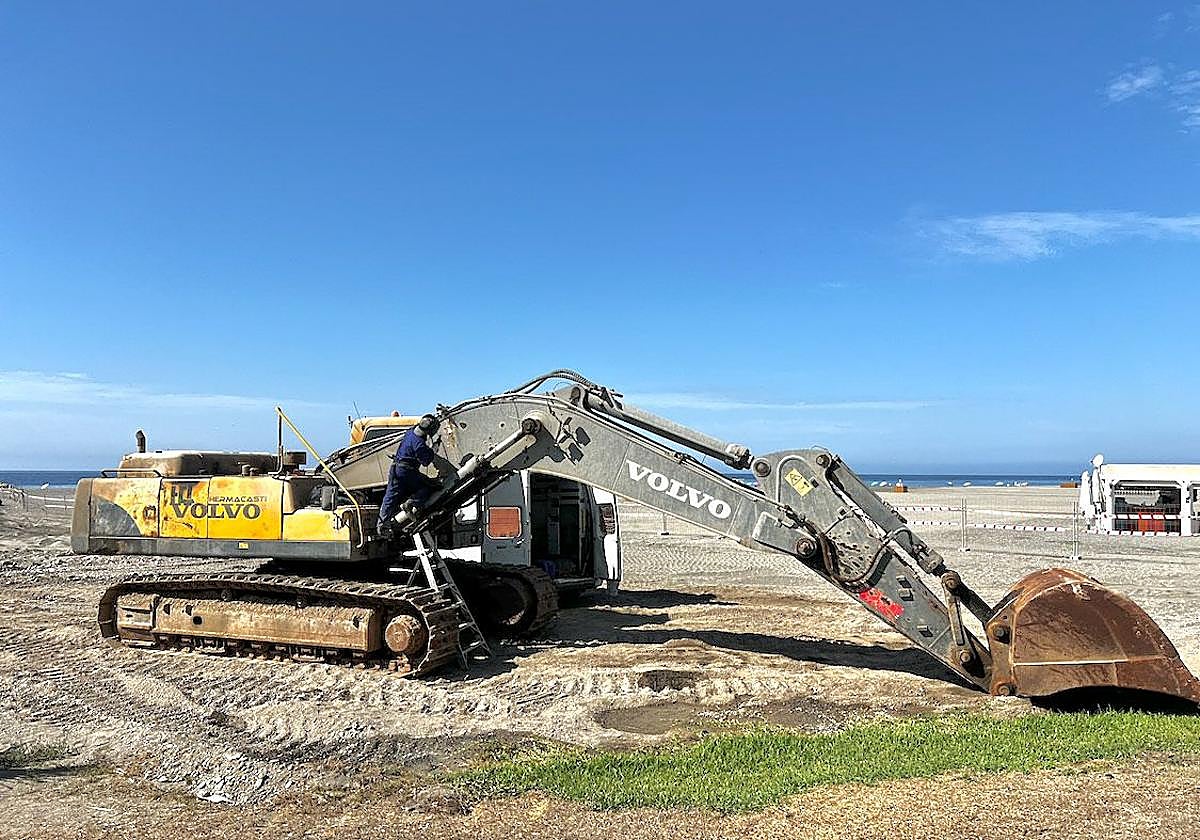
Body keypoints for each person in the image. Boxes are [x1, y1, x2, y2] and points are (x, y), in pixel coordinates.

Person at [377, 413, 439, 535]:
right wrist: (433, 449)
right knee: (428, 487)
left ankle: (381, 524)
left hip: (395, 468)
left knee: (390, 496)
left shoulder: (410, 432)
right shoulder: (419, 445)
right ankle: (411, 503)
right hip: (408, 471)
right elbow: (426, 461)